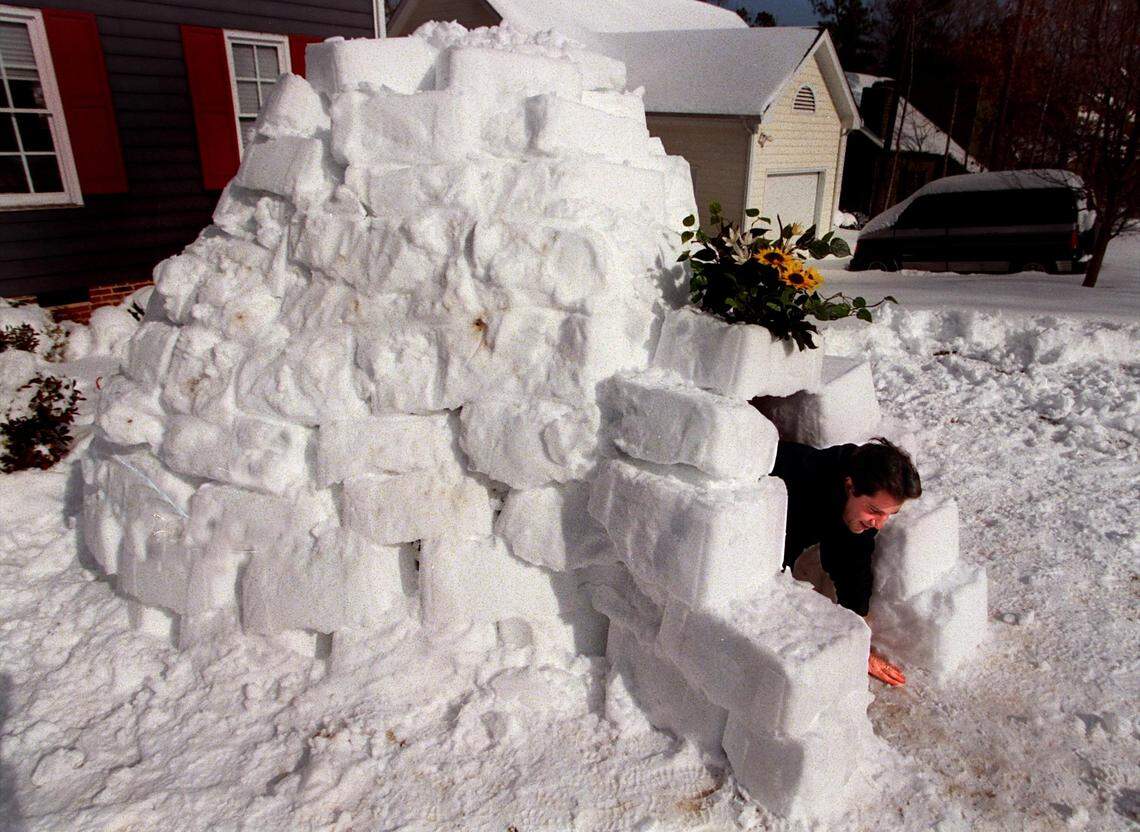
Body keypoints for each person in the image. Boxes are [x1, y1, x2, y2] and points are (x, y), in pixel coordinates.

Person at [771, 437, 922, 687]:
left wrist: (858, 640)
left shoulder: (858, 504)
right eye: (875, 511)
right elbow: (771, 568)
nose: (880, 523)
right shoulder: (801, 488)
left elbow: (852, 562)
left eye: (888, 515)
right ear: (850, 486)